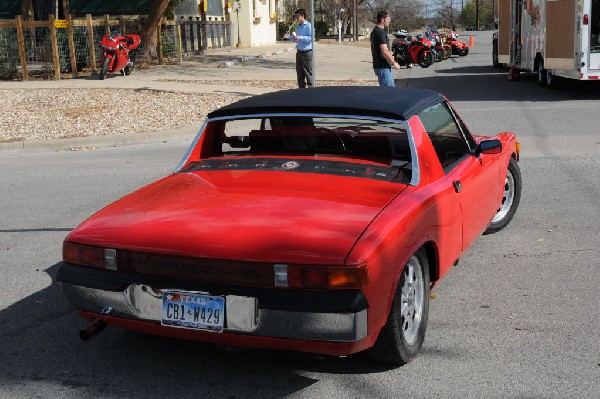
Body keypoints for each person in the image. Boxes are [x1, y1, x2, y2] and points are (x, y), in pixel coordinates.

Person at [283, 9, 313, 88]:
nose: (296, 18)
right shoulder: (298, 27)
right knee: (299, 73)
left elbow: (311, 38)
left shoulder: (309, 26)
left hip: (307, 52)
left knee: (308, 72)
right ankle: (301, 91)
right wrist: (289, 37)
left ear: (303, 16)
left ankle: (311, 91)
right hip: (299, 52)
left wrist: (299, 37)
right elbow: (296, 39)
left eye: (297, 16)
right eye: (295, 16)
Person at [370, 11, 400, 87]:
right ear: (382, 20)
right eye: (388, 19)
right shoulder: (380, 32)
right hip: (383, 67)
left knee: (385, 92)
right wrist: (394, 63)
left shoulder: (374, 31)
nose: (389, 21)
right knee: (390, 93)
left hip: (379, 66)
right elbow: (384, 50)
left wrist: (390, 57)